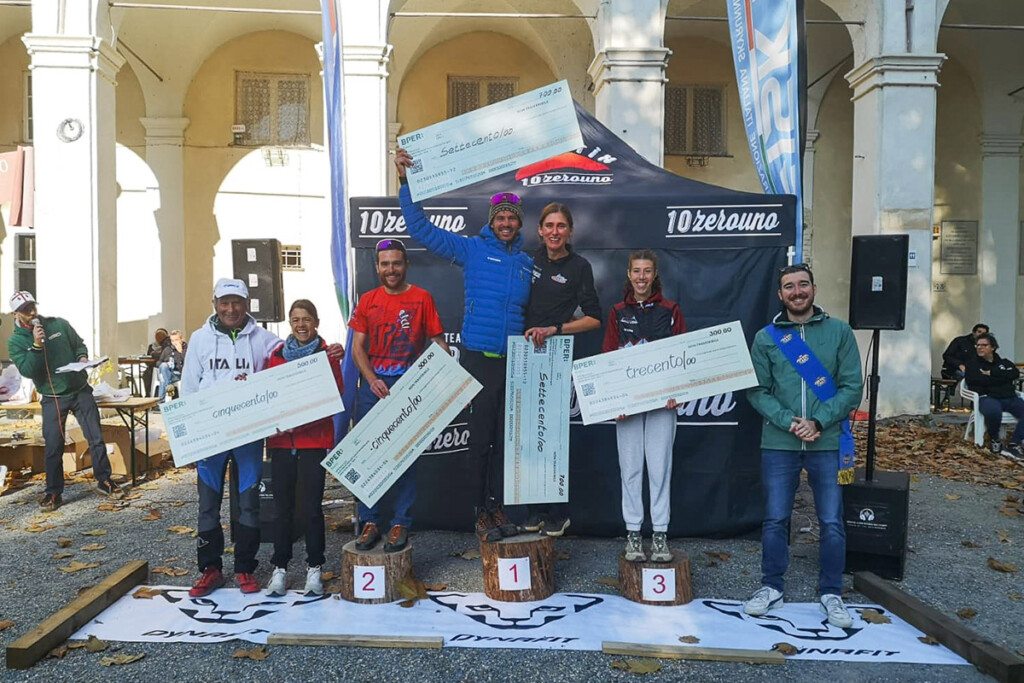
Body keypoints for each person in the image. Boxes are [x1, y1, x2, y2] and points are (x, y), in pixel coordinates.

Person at [394, 148, 533, 542]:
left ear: (519, 223)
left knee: (506, 441)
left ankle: (498, 506)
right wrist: (406, 184)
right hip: (479, 359)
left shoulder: (525, 263)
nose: (505, 223)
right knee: (480, 439)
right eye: (500, 217)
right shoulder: (471, 248)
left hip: (515, 362)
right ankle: (480, 512)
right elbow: (421, 230)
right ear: (492, 222)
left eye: (511, 218)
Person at [181, 279, 344, 597]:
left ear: (246, 305)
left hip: (248, 435)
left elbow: (297, 360)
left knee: (248, 505)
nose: (230, 309)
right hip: (212, 435)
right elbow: (188, 389)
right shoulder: (200, 340)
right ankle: (210, 569)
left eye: (237, 303)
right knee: (207, 506)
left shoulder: (265, 341)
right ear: (215, 303)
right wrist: (189, 441)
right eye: (224, 303)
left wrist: (331, 352)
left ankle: (244, 568)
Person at [744, 264, 863, 629]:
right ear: (780, 294)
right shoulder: (766, 338)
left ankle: (831, 592)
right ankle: (772, 587)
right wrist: (789, 421)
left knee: (831, 521)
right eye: (789, 287)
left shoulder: (840, 332)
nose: (797, 292)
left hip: (826, 441)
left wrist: (818, 421)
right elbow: (756, 390)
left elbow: (851, 387)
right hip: (780, 441)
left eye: (803, 285)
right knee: (776, 519)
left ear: (814, 288)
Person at [349, 239, 449, 553]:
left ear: (405, 265)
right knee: (368, 456)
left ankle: (400, 522)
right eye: (385, 264)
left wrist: (451, 381)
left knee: (405, 457)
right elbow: (357, 349)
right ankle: (370, 521)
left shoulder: (422, 298)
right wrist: (372, 380)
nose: (390, 269)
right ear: (377, 267)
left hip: (409, 386)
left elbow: (438, 344)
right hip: (374, 388)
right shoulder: (367, 300)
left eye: (396, 263)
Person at [521, 203, 602, 537]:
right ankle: (533, 509)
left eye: (561, 226)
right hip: (522, 355)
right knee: (525, 435)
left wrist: (555, 328)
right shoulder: (526, 260)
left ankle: (558, 512)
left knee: (552, 434)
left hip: (555, 355)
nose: (554, 232)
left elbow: (594, 318)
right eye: (549, 226)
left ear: (570, 232)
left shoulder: (579, 266)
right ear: (540, 230)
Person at [601, 250, 685, 563]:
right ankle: (634, 534)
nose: (641, 277)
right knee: (631, 468)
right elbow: (608, 357)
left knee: (661, 467)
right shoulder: (617, 311)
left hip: (663, 402)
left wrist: (679, 391)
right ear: (628, 274)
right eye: (636, 271)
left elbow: (683, 355)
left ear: (654, 275)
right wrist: (613, 401)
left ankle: (660, 534)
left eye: (647, 271)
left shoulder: (671, 309)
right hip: (628, 405)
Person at [7, 291, 124, 510]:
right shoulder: (15, 341)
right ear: (16, 314)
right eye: (25, 310)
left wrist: (81, 357)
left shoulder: (58, 324)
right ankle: (53, 492)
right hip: (53, 397)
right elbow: (28, 370)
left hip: (79, 389)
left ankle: (104, 480)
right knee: (53, 445)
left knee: (95, 437)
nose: (32, 312)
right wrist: (36, 345)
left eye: (33, 306)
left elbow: (78, 344)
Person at [265, 299, 344, 596]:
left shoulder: (328, 355)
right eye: (296, 319)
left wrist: (301, 424)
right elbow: (267, 396)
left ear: (316, 323)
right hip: (282, 442)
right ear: (290, 323)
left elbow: (336, 393)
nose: (301, 324)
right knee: (282, 508)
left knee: (311, 508)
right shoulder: (276, 356)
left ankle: (314, 567)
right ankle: (280, 568)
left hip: (312, 442)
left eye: (307, 319)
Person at [965, 332, 1024, 460]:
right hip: (987, 397)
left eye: (984, 345)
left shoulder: (1004, 362)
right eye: (978, 345)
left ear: (993, 347)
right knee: (993, 411)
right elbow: (975, 381)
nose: (979, 347)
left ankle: (1014, 444)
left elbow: (1014, 373)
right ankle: (995, 439)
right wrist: (1001, 377)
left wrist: (991, 373)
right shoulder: (972, 365)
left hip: (1009, 397)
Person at [156, 330, 187, 400]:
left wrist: (180, 351)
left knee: (163, 379)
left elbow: (188, 363)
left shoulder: (186, 349)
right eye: (172, 341)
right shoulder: (167, 349)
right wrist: (166, 364)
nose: (174, 343)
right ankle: (168, 386)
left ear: (181, 339)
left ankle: (160, 401)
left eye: (176, 340)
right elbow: (158, 362)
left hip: (179, 375)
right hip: (167, 374)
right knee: (163, 367)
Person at [143, 328, 169, 395]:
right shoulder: (151, 346)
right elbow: (148, 358)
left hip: (162, 367)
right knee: (147, 374)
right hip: (152, 366)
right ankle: (148, 393)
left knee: (150, 374)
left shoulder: (167, 343)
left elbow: (163, 355)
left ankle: (153, 394)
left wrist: (155, 354)